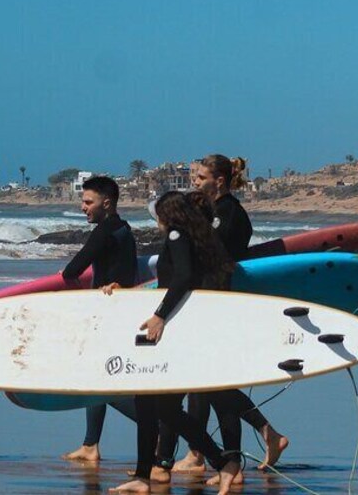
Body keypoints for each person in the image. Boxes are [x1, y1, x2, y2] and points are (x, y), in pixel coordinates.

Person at [157, 154, 287, 477]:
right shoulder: (217, 213)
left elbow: (216, 257)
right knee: (208, 386)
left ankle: (237, 454)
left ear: (220, 181)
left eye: (201, 177)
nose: (195, 182)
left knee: (214, 386)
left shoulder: (230, 214)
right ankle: (208, 455)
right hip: (210, 304)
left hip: (220, 306)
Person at [111, 191, 241, 494]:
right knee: (163, 408)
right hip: (187, 329)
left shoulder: (175, 234)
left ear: (166, 214)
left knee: (151, 403)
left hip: (172, 331)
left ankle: (151, 475)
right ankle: (218, 463)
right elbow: (178, 281)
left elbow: (182, 278)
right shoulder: (200, 237)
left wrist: (159, 316)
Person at [60, 176, 139, 462]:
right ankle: (90, 444)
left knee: (101, 383)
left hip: (108, 314)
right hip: (118, 310)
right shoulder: (123, 228)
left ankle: (157, 424)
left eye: (87, 202)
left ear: (106, 203)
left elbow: (73, 269)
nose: (83, 207)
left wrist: (70, 282)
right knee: (98, 378)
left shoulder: (105, 231)